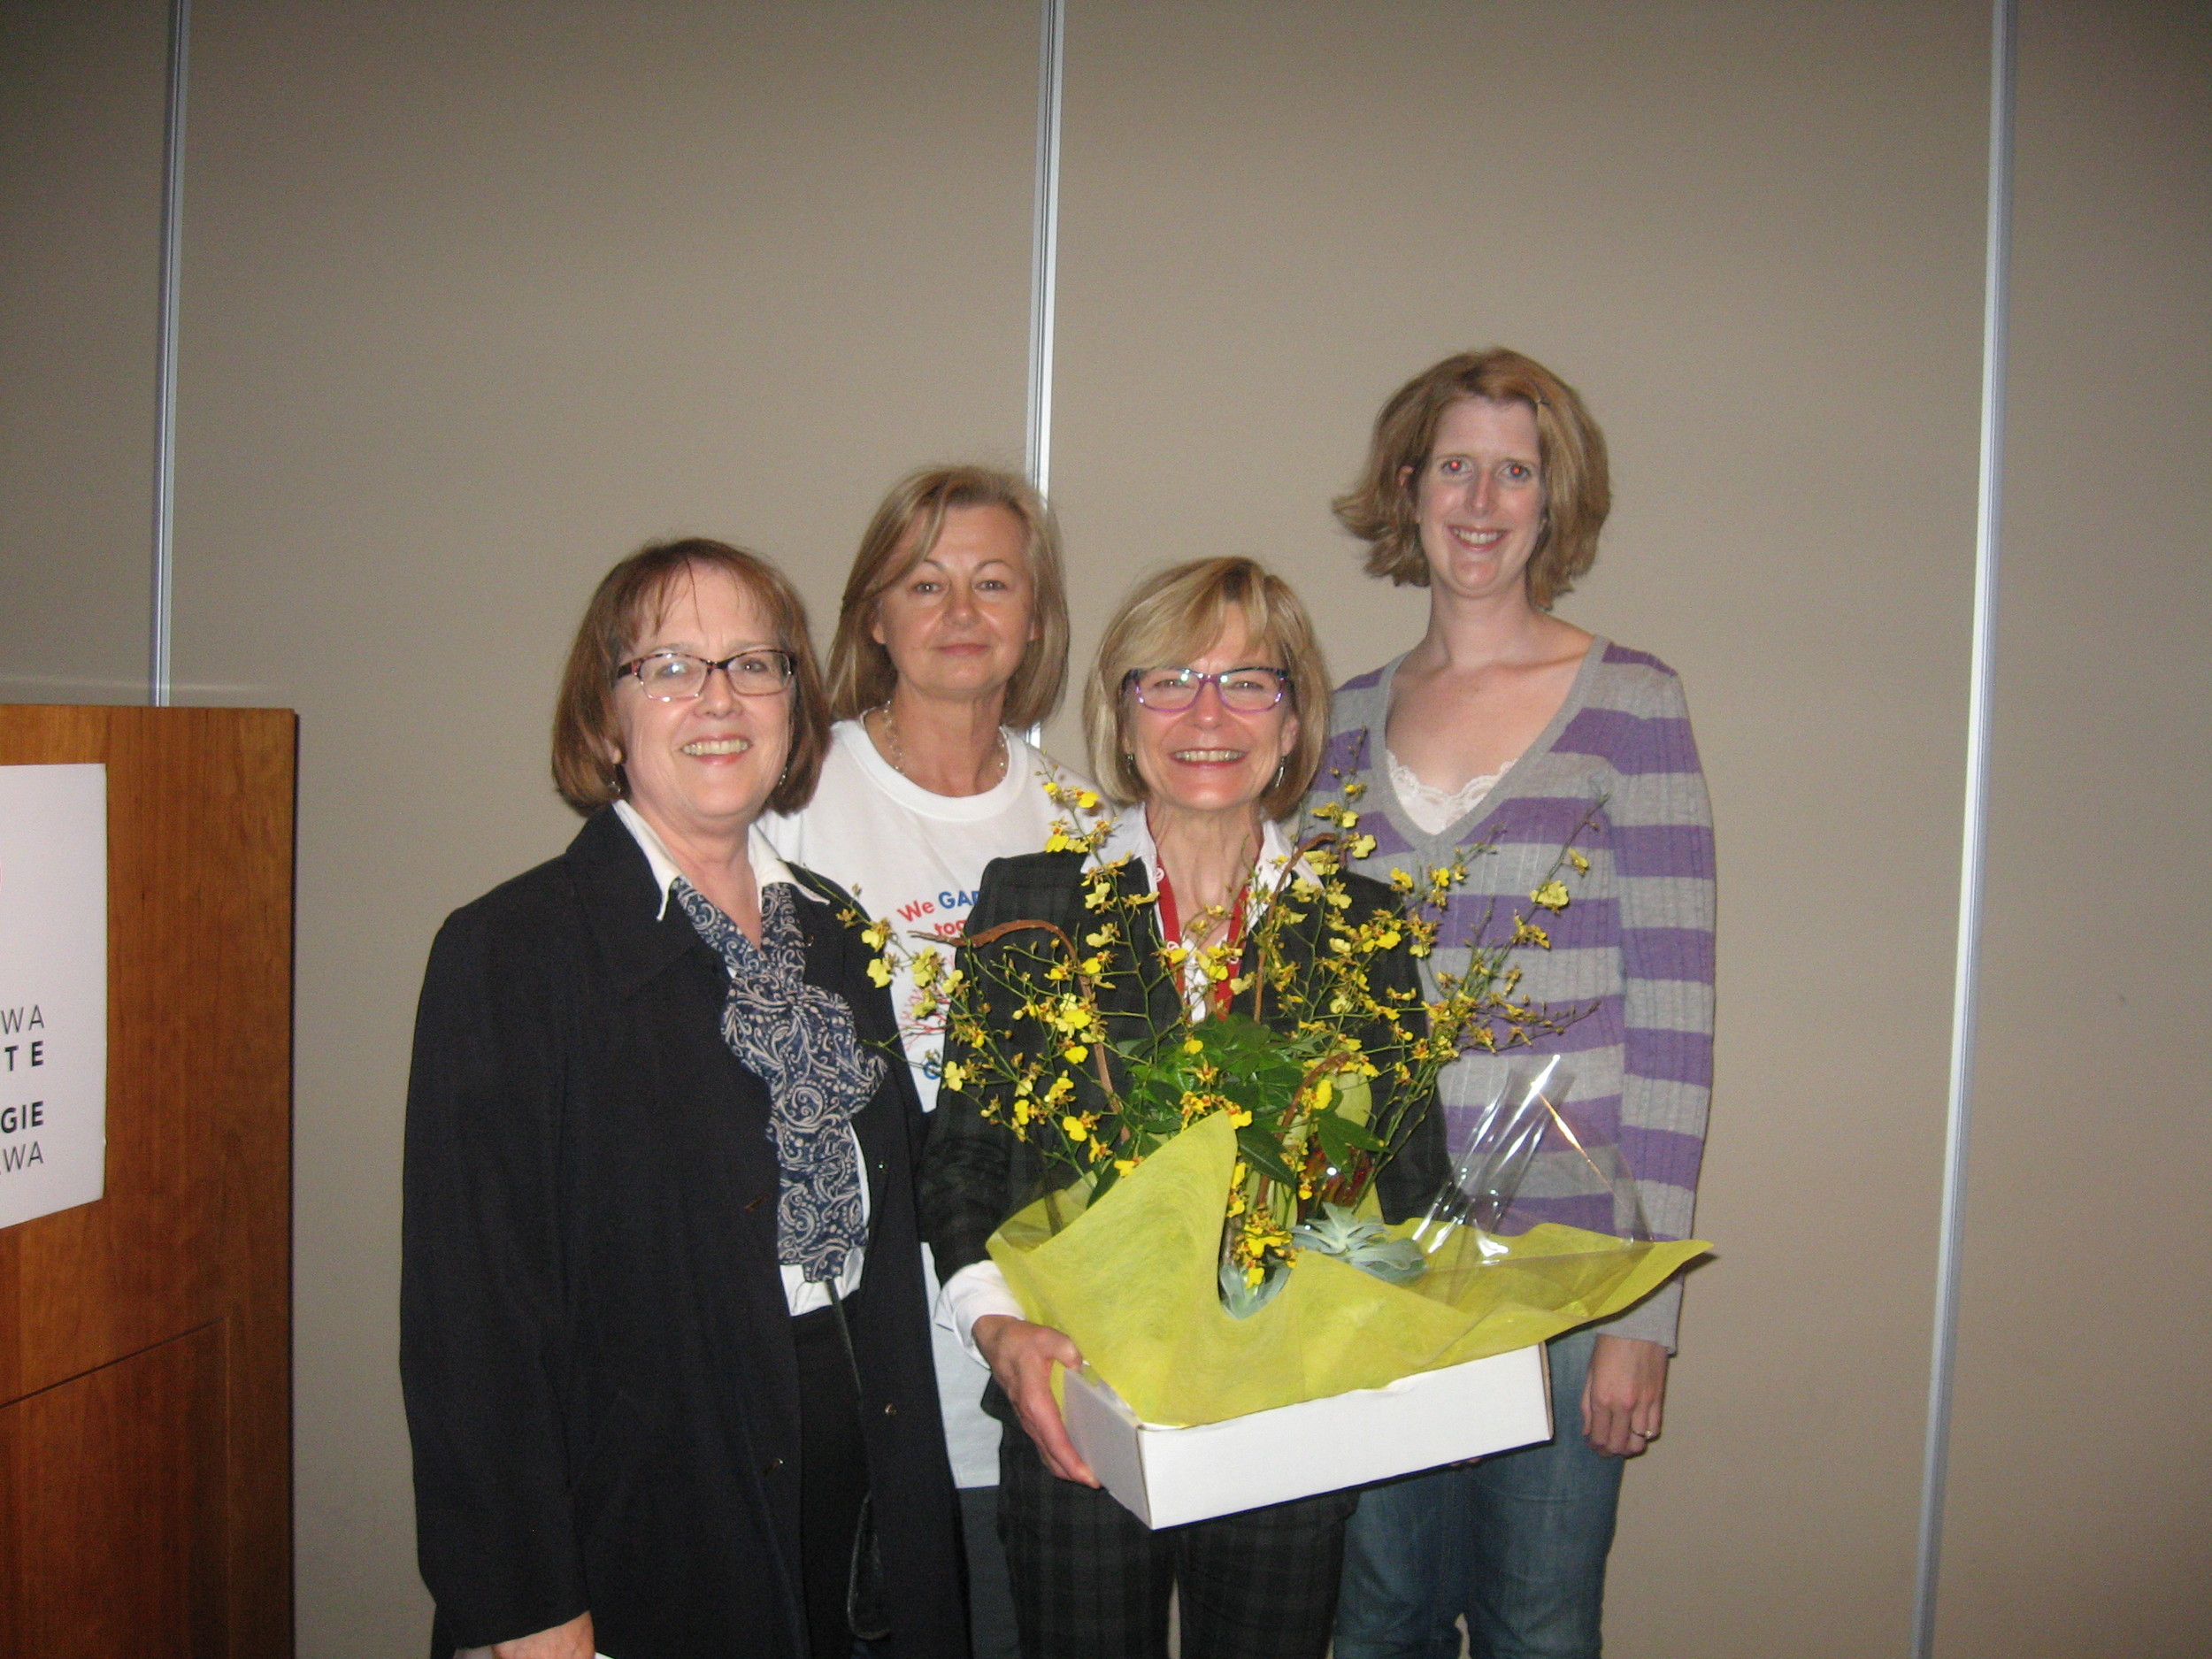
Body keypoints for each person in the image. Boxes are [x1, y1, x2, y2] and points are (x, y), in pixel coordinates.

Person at [400, 539, 965, 1659]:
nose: (718, 699)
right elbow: (473, 1325)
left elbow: (901, 1208)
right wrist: (525, 1610)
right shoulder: (512, 955)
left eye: (755, 664)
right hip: (649, 1518)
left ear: (795, 707)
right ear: (606, 717)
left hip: (860, 1488)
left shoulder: (836, 933)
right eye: (669, 666)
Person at [919, 557, 1447, 1659]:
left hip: (1285, 1423)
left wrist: (1341, 1289)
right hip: (1078, 1408)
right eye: (1168, 680)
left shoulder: (1360, 929)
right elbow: (962, 1164)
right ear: (1122, 716)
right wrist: (1001, 1332)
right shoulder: (1034, 907)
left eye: (1248, 681)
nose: (1207, 715)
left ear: (1294, 720)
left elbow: (1405, 1192)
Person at [1317, 349, 1716, 1659]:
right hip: (1379, 1271)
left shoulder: (1633, 707)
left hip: (1569, 1275)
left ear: (1556, 497)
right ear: (1408, 487)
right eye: (1454, 465)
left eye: (1516, 468)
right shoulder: (1334, 726)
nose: (1480, 499)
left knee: (1541, 1622)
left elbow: (1674, 1025)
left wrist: (1640, 1313)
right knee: (1375, 1617)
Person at [760, 465, 1082, 1659]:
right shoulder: (787, 797)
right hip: (852, 1359)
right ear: (875, 614)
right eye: (925, 580)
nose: (961, 609)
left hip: (1024, 1363)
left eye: (994, 581)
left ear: (1036, 620)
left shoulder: (1082, 822)